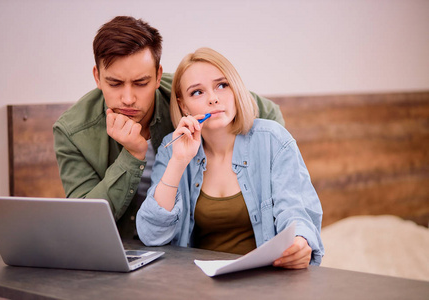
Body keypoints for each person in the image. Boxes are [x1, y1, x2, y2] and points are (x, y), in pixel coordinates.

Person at [53, 16, 285, 241]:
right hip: (117, 248)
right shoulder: (72, 131)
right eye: (114, 83)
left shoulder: (187, 93)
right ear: (97, 77)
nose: (128, 98)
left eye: (141, 83)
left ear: (157, 76)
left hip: (181, 246)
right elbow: (85, 224)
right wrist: (132, 156)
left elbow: (265, 111)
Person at [136, 47, 324, 268]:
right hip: (195, 284)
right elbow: (151, 234)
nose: (213, 99)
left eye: (222, 85)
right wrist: (178, 162)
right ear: (183, 104)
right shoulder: (172, 148)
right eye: (197, 92)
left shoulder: (273, 139)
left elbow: (295, 212)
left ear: (236, 89)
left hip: (266, 279)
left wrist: (299, 242)